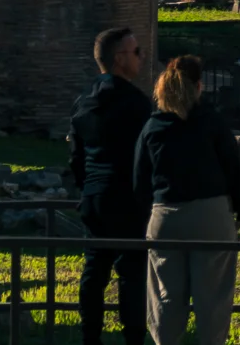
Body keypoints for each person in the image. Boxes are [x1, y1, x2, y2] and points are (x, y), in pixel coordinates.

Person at [134, 57, 240, 345]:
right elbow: (233, 168)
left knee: (166, 296)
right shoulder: (212, 122)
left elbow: (139, 179)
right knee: (213, 297)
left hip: (166, 216)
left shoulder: (153, 126)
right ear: (199, 86)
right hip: (211, 214)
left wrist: (144, 216)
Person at [71, 25, 154, 345]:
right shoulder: (137, 104)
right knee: (132, 274)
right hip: (127, 199)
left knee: (95, 269)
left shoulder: (84, 102)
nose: (142, 57)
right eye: (136, 52)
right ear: (119, 59)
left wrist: (86, 188)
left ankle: (89, 338)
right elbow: (147, 157)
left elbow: (76, 156)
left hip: (94, 196)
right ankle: (133, 339)